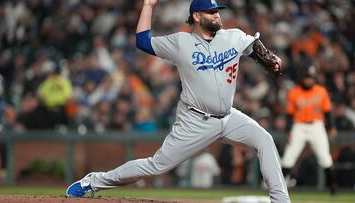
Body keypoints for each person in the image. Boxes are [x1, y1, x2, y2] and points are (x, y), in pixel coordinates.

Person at [66, 0, 290, 202]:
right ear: (196, 16)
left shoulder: (233, 36)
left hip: (229, 117)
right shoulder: (180, 42)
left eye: (217, 11)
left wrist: (272, 59)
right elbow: (143, 42)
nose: (216, 15)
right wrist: (148, 6)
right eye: (210, 12)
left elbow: (256, 49)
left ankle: (281, 200)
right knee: (156, 165)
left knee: (264, 140)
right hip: (195, 120)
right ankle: (94, 181)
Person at [281, 64, 338, 194]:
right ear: (302, 78)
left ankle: (333, 186)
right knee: (289, 158)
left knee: (325, 158)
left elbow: (328, 112)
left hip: (316, 126)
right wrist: (288, 131)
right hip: (299, 126)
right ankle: (280, 187)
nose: (309, 80)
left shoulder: (321, 91)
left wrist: (332, 126)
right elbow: (289, 115)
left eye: (311, 78)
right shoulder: (294, 92)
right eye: (307, 78)